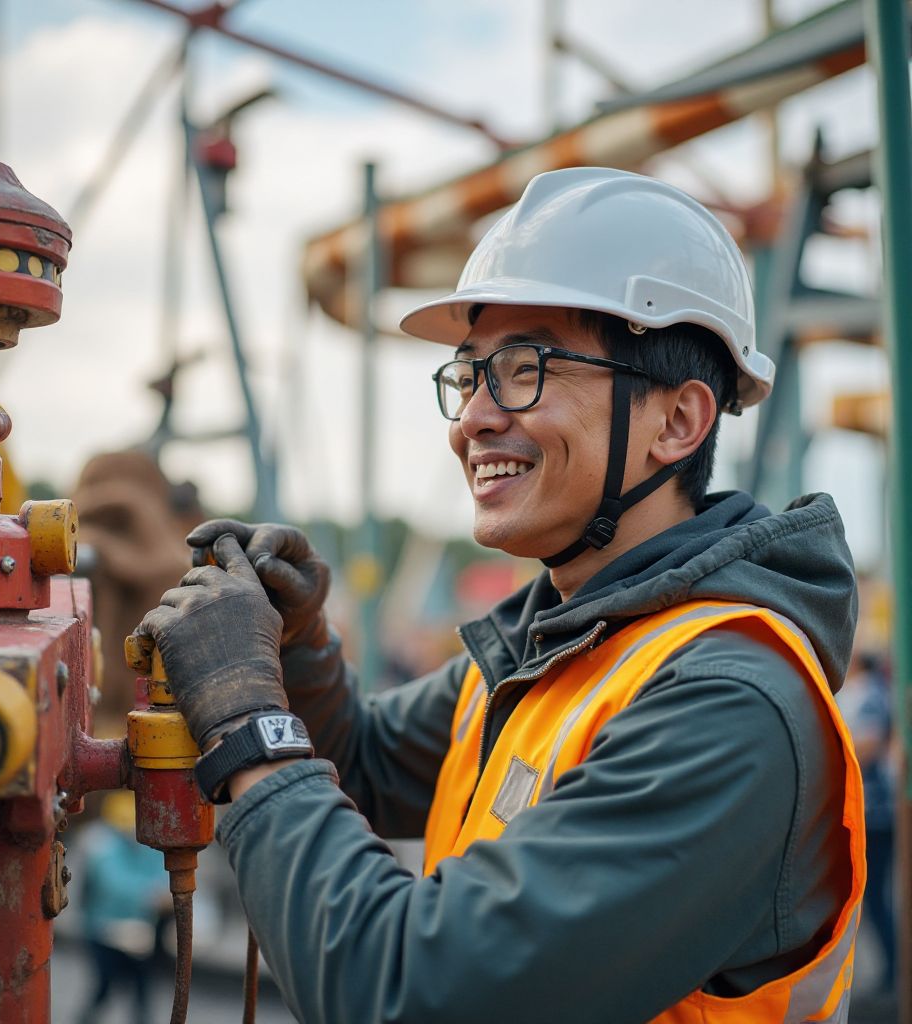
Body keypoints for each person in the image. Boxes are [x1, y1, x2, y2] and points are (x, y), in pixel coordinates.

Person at [138, 168, 864, 1023]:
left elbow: (412, 995)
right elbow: (363, 764)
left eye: (524, 368)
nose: (471, 419)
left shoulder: (728, 706)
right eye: (468, 375)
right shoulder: (555, 643)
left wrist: (244, 725)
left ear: (677, 421)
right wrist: (297, 646)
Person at [75, 791, 170, 1024]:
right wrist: (149, 895)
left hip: (142, 932)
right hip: (104, 930)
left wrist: (162, 893)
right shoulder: (100, 843)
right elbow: (111, 882)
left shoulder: (147, 841)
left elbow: (161, 871)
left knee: (142, 990)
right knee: (104, 987)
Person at [837, 650, 896, 993]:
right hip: (867, 810)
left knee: (875, 899)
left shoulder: (870, 693)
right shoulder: (858, 692)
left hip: (876, 813)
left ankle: (893, 974)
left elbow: (870, 744)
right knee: (871, 899)